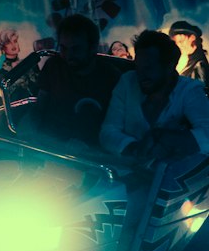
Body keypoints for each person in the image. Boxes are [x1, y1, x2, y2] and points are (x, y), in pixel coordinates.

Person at [100, 29, 209, 161]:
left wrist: (167, 138)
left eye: (148, 68)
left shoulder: (189, 90)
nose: (141, 75)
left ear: (169, 66)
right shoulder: (127, 82)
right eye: (138, 67)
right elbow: (108, 132)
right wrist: (136, 148)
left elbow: (207, 132)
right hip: (127, 174)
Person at [26, 13, 122, 150]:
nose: (68, 55)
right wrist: (28, 134)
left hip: (91, 154)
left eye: (76, 49)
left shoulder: (112, 77)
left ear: (93, 48)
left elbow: (115, 127)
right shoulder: (54, 66)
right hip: (49, 145)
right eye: (63, 48)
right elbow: (39, 107)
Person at [168, 20, 209, 96]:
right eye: (176, 43)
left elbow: (198, 94)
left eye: (181, 41)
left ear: (192, 38)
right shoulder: (191, 64)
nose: (179, 46)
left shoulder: (199, 66)